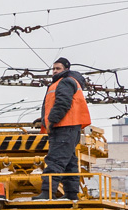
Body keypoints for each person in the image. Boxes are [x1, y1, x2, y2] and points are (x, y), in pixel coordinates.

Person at [35, 57, 91, 200]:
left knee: (55, 160)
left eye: (58, 68)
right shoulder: (65, 82)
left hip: (64, 127)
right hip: (69, 127)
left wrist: (52, 121)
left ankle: (47, 192)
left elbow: (62, 104)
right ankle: (71, 194)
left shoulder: (65, 82)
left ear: (66, 69)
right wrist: (44, 120)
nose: (54, 71)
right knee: (69, 161)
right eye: (53, 69)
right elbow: (60, 104)